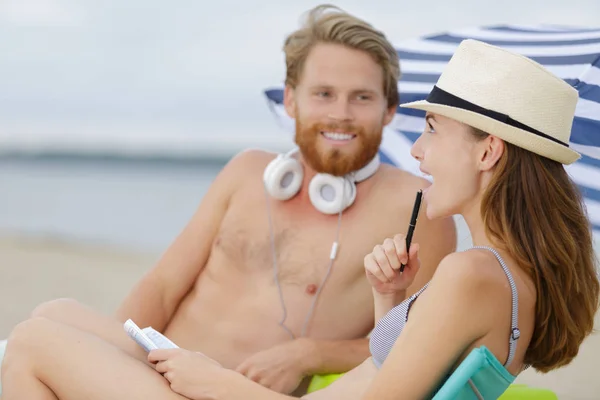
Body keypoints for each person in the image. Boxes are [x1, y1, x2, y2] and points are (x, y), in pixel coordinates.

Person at [3, 37, 599, 400]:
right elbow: (395, 379)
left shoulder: (473, 273)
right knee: (55, 314)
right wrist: (388, 299)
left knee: (32, 342)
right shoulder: (502, 278)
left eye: (433, 132)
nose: (416, 152)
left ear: (488, 151)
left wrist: (218, 382)